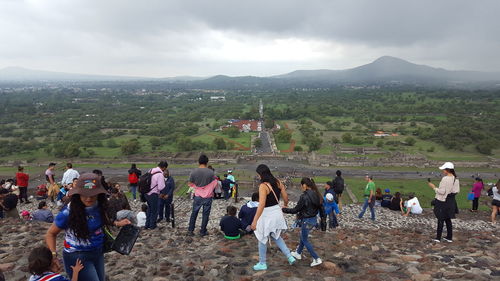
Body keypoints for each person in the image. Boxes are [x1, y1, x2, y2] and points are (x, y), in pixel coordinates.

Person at [45, 173, 131, 281]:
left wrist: (117, 223)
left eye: (93, 195)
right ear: (78, 194)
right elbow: (50, 234)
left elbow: (102, 220)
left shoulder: (100, 205)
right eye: (85, 194)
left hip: (97, 252)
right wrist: (53, 256)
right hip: (77, 256)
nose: (89, 198)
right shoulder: (68, 213)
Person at [250, 164, 295, 271]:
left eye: (258, 174)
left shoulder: (263, 186)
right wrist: (285, 204)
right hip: (276, 212)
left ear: (261, 174)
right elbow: (285, 197)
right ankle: (289, 256)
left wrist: (255, 221)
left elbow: (261, 204)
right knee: (276, 236)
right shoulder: (278, 182)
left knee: (262, 238)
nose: (258, 177)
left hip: (267, 214)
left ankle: (262, 263)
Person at [283, 177, 325, 267]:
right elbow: (321, 209)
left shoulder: (304, 196)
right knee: (303, 236)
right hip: (313, 220)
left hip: (307, 221)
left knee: (305, 239)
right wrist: (323, 222)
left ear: (305, 185)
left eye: (301, 185)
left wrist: (285, 210)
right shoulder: (317, 194)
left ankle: (316, 258)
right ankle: (298, 253)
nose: (301, 187)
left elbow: (296, 210)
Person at [428, 162, 460, 243]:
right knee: (448, 219)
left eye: (444, 169)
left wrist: (434, 187)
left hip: (443, 201)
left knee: (440, 219)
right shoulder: (456, 179)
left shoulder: (445, 179)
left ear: (447, 170)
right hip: (451, 201)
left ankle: (438, 238)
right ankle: (449, 237)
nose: (442, 171)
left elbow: (442, 192)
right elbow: (456, 191)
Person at [187, 155, 218, 236]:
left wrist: (197, 186)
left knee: (194, 213)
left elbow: (190, 184)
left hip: (197, 196)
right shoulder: (211, 172)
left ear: (199, 161)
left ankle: (190, 230)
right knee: (205, 215)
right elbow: (214, 184)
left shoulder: (193, 172)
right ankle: (203, 231)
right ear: (206, 162)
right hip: (208, 196)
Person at [145, 161, 168, 230]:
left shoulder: (151, 170)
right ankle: (152, 225)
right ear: (164, 167)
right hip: (153, 194)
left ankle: (147, 225)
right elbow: (161, 187)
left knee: (149, 209)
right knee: (154, 210)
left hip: (146, 193)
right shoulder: (160, 174)